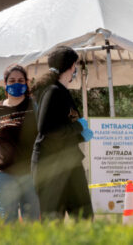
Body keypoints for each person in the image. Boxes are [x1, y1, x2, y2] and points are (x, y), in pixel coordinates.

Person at [31, 46, 93, 220]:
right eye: (76, 66)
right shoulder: (53, 91)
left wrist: (80, 136)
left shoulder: (62, 92)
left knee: (84, 218)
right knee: (53, 222)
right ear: (72, 66)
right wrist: (78, 127)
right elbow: (47, 129)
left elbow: (60, 130)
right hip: (51, 166)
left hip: (68, 161)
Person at [0, 65, 40, 222]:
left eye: (20, 80)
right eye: (12, 81)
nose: (16, 84)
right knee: (8, 222)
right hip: (3, 173)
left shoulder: (35, 106)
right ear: (5, 83)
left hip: (31, 174)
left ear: (27, 83)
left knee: (32, 222)